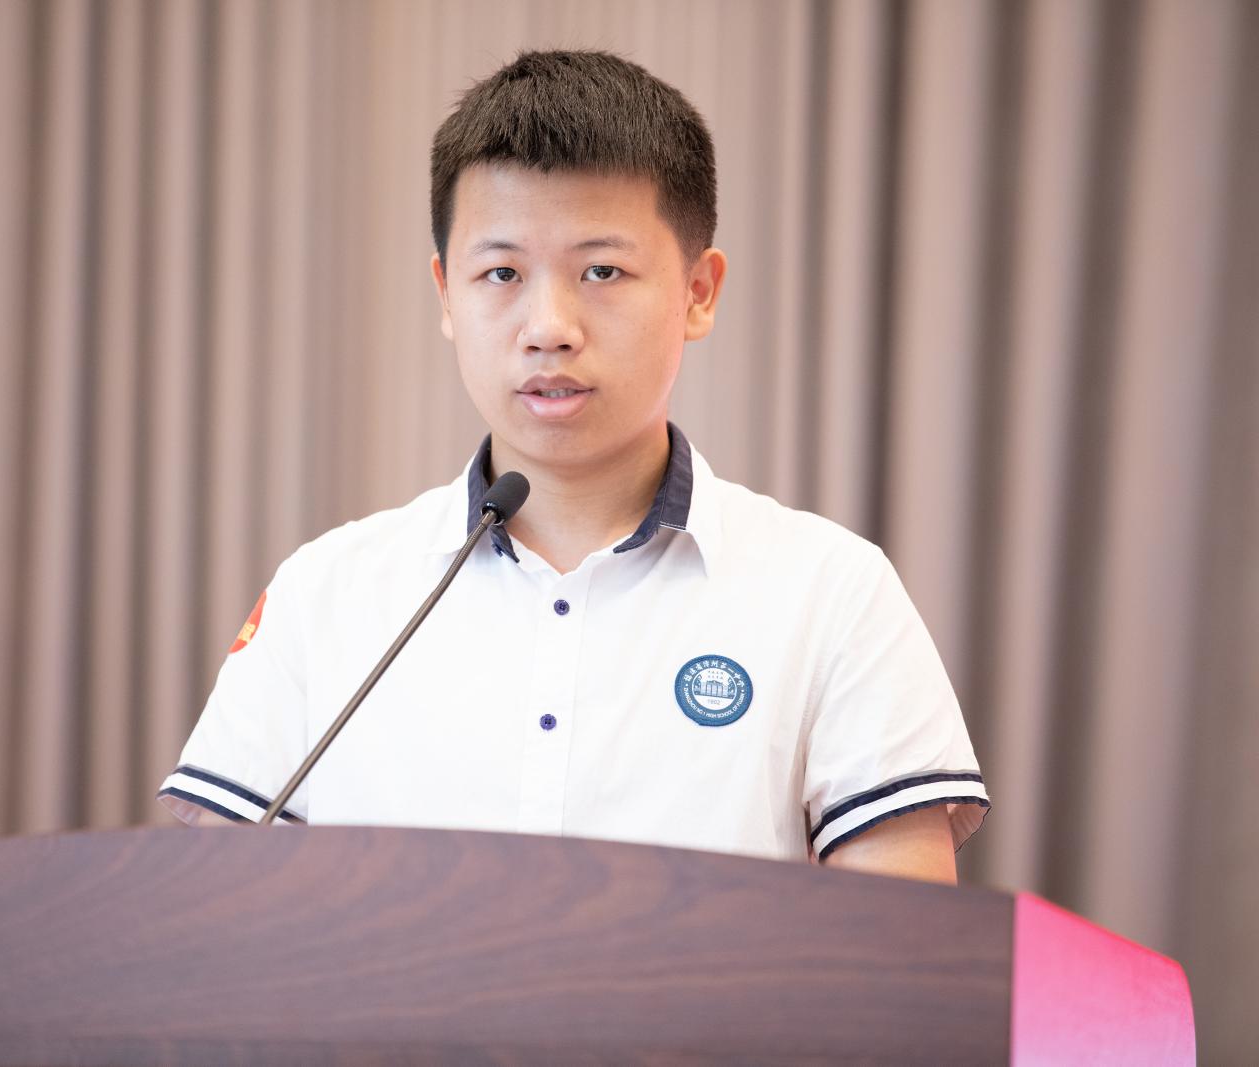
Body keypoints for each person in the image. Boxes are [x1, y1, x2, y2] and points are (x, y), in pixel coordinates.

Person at [159, 49, 987, 884]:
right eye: (502, 273)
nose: (548, 326)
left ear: (699, 291)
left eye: (601, 271)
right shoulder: (326, 594)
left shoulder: (832, 592)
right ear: (446, 294)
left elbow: (900, 943)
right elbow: (210, 915)